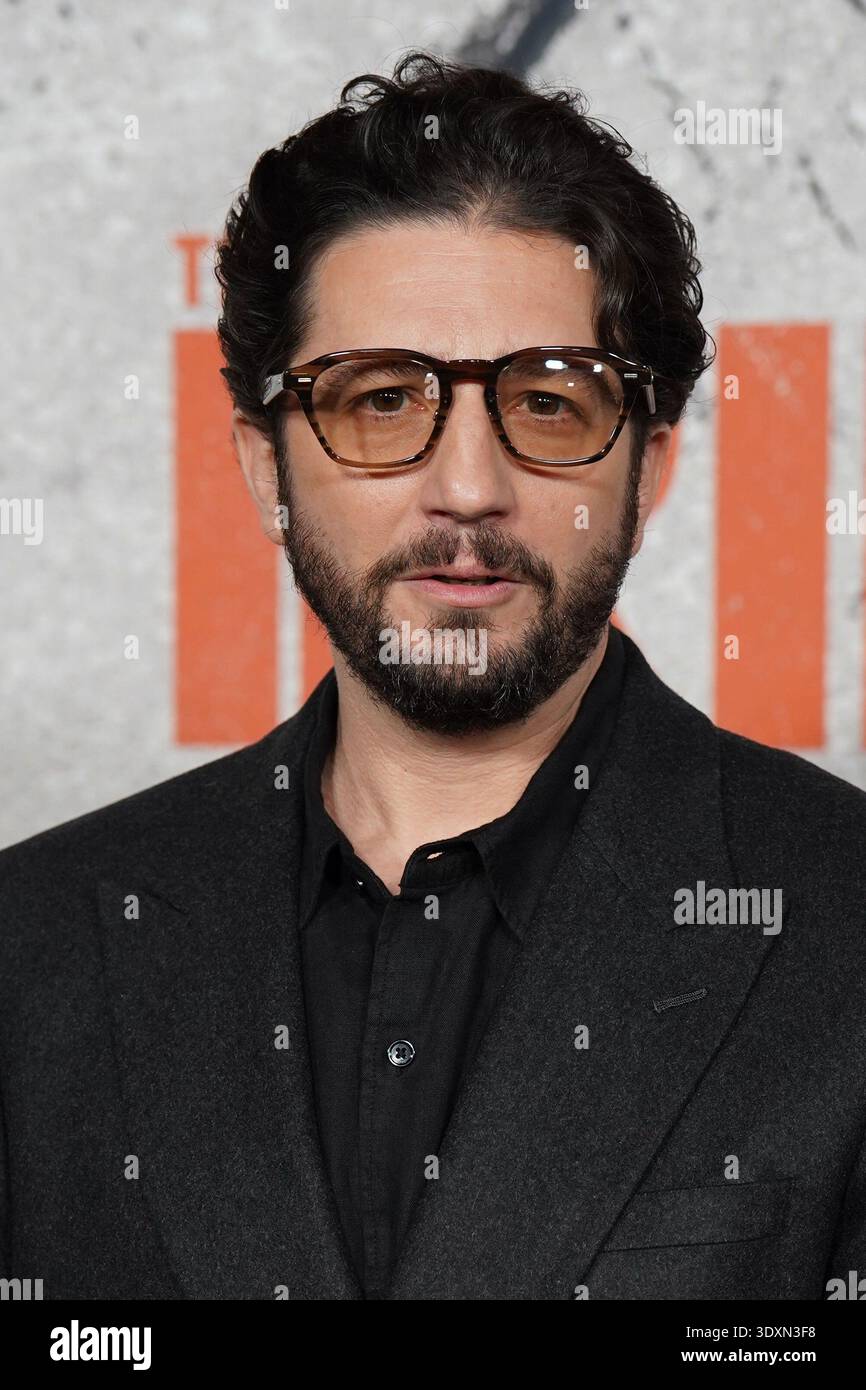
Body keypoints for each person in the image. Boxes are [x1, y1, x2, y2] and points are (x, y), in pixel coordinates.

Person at [1, 52, 865, 1302]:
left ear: (650, 467)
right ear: (264, 469)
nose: (467, 488)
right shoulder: (36, 949)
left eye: (551, 404)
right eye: (381, 399)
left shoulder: (841, 926)